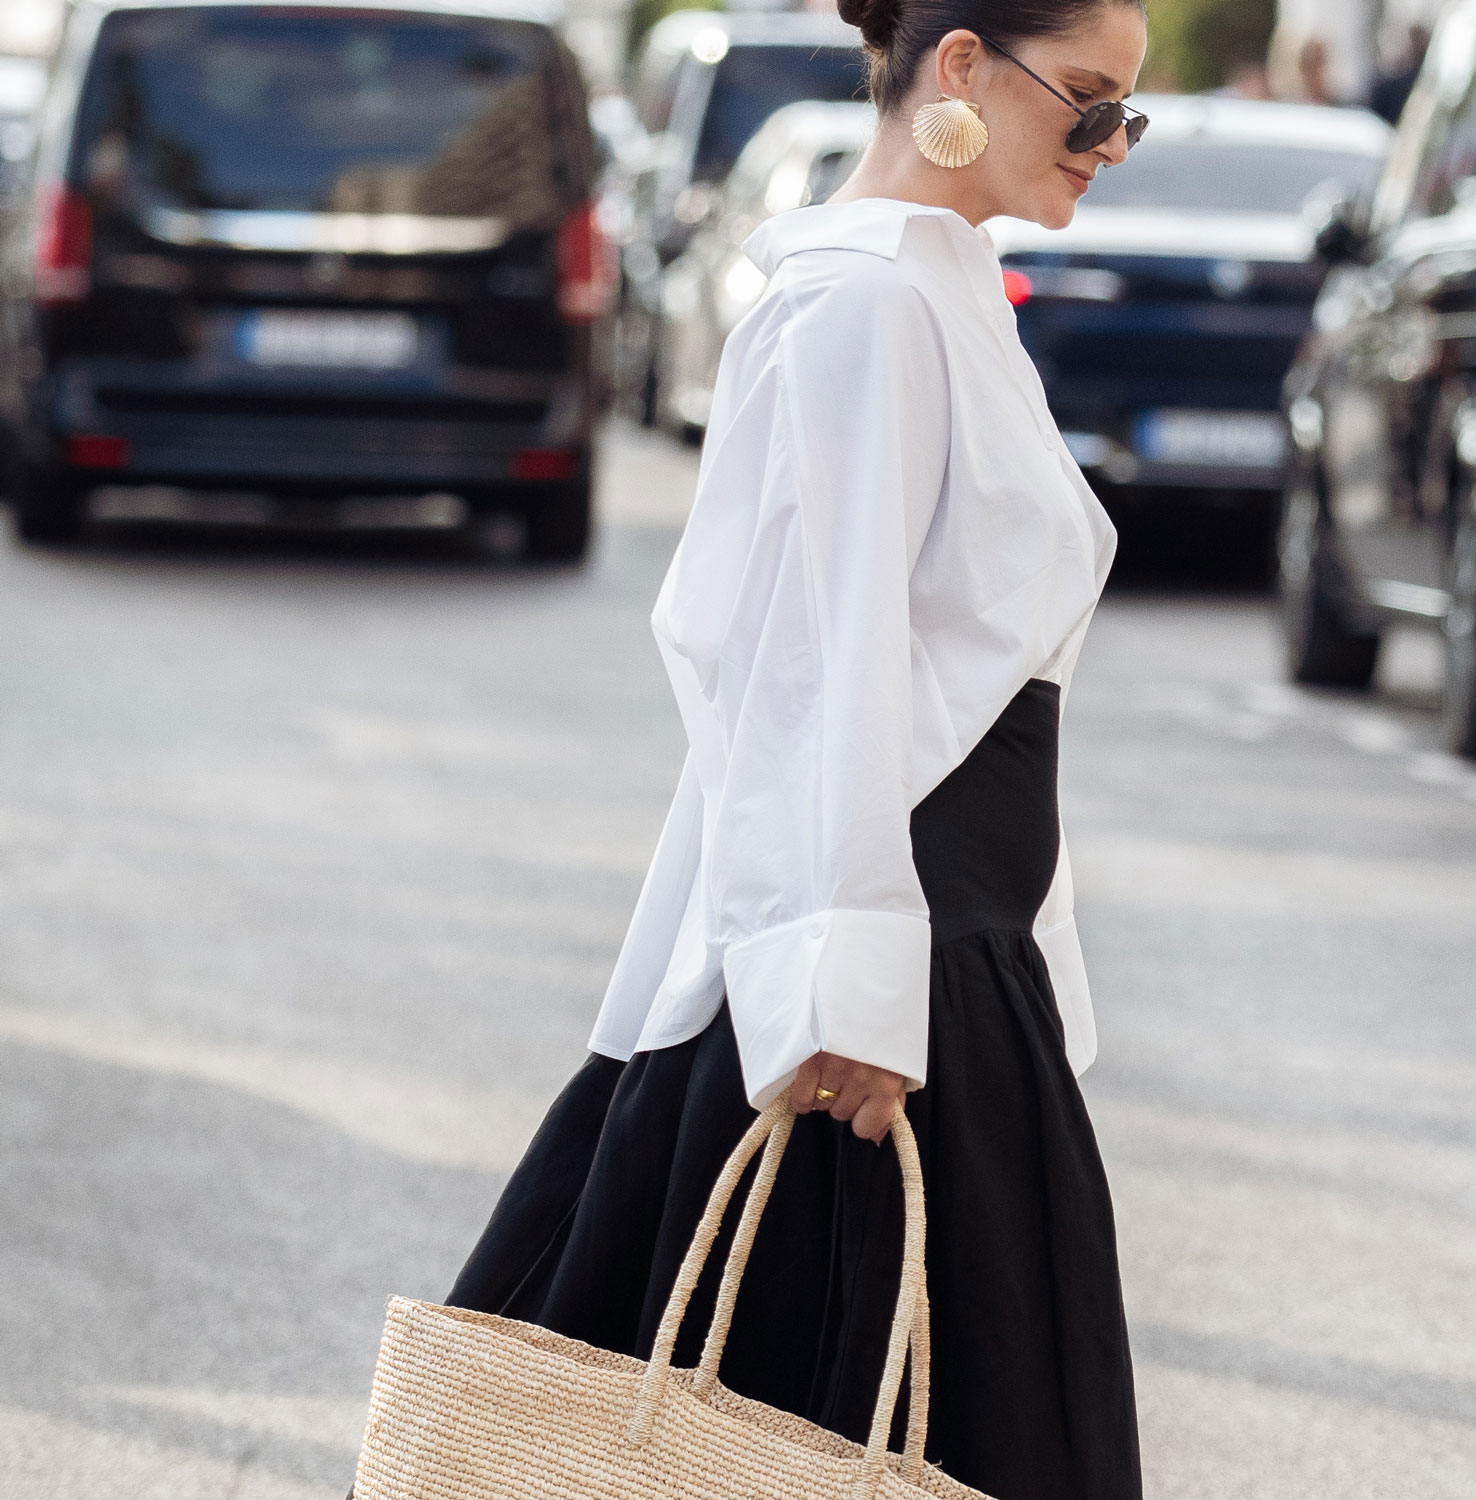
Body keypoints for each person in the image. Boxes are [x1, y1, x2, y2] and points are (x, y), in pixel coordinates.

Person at [441, 2, 1148, 1497]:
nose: (1110, 145)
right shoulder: (866, 306)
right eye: (1087, 102)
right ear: (959, 64)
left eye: (1126, 115)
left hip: (951, 947)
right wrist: (843, 988)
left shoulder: (944, 287)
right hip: (890, 960)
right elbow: (805, 664)